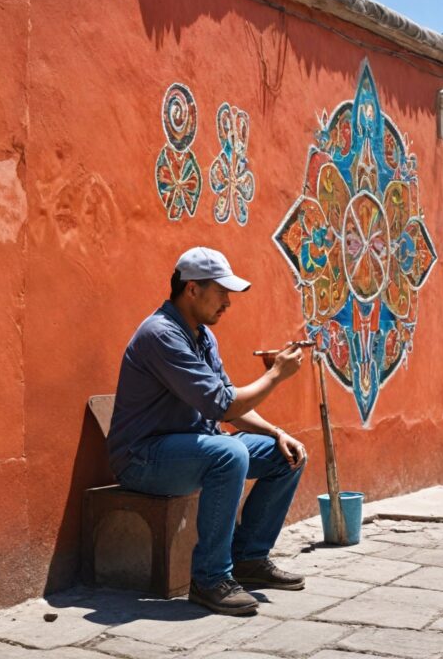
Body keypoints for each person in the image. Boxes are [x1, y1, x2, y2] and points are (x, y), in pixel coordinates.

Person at [107, 246, 308, 616]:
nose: (228, 303)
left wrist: (276, 431)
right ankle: (210, 579)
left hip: (190, 449)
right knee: (230, 454)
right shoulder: (161, 334)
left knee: (288, 454)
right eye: (221, 292)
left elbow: (229, 401)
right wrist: (276, 374)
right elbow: (224, 406)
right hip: (143, 459)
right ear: (192, 289)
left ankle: (249, 559)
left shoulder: (202, 336)